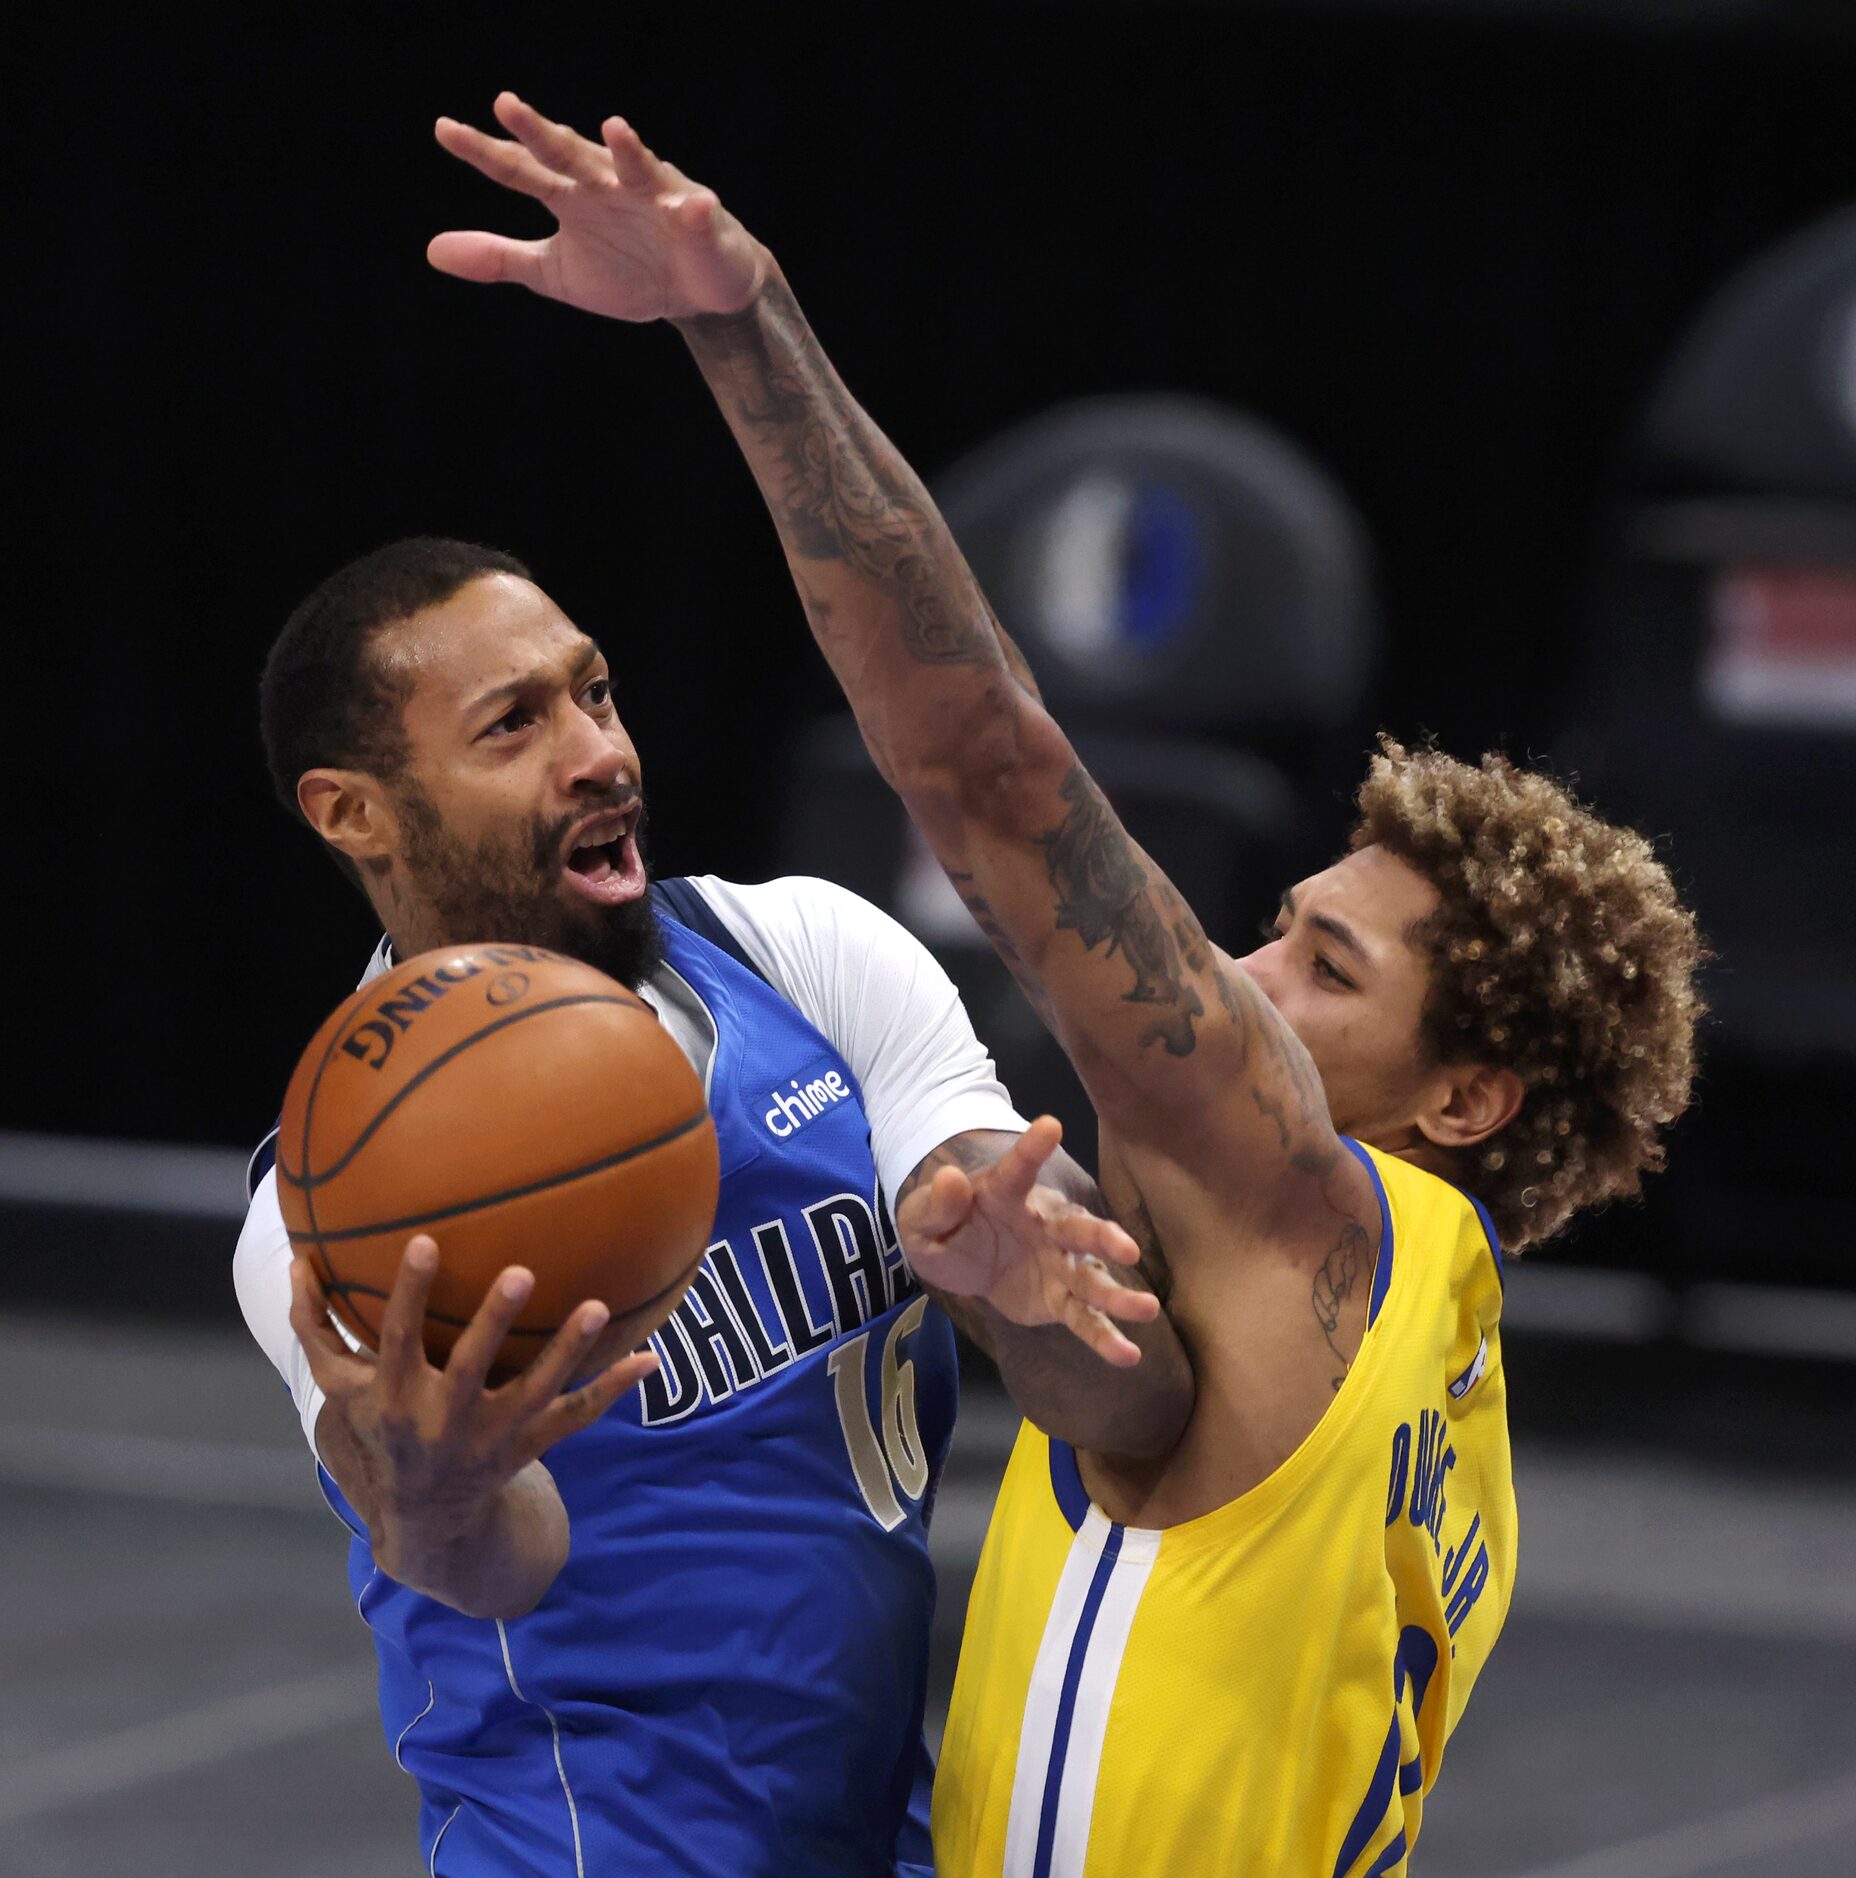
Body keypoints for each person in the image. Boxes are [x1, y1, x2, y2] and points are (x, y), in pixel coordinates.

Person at [428, 92, 1704, 1874]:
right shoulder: (1436, 1368)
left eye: (1324, 969)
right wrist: (1018, 1309)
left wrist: (739, 320)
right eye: (1280, 925)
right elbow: (1142, 1422)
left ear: (1465, 1098)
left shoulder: (1292, 1195)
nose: (1245, 979)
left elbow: (984, 765)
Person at [233, 533, 1196, 1877]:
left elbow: (1136, 1404)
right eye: (514, 724)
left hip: (889, 1824)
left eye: (595, 692)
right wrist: (439, 1495)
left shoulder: (808, 954)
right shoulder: (333, 1200)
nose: (600, 752)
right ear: (355, 812)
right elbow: (489, 1565)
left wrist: (1017, 1287)